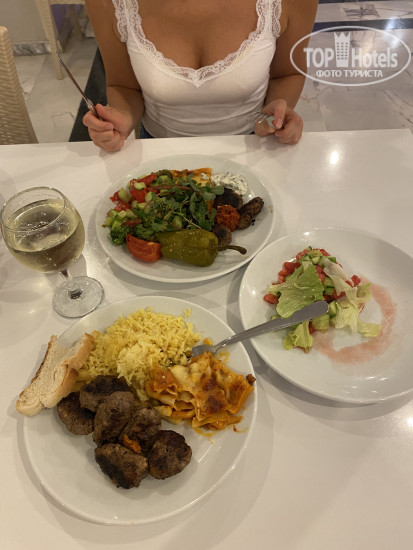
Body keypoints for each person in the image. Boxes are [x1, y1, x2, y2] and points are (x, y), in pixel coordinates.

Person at [83, 0, 318, 152]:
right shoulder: (108, 4)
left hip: (253, 147)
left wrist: (274, 116)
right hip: (159, 153)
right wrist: (123, 116)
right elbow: (123, 85)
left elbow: (287, 73)